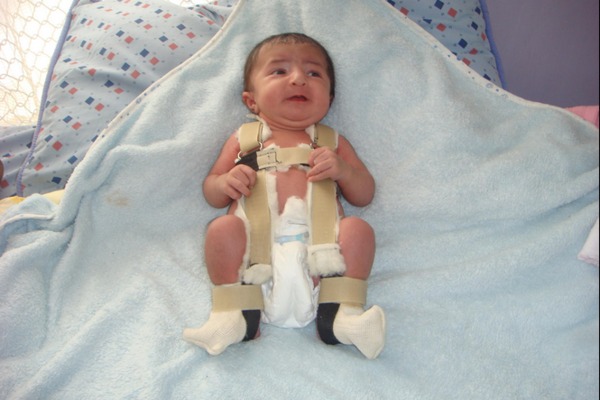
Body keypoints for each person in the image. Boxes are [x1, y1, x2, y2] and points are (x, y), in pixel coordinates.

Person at [183, 33, 385, 359]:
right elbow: (212, 192)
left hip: (321, 254)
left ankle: (343, 314)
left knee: (358, 230)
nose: (298, 79)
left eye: (313, 73)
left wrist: (344, 172)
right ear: (251, 101)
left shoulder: (332, 142)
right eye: (279, 71)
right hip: (253, 255)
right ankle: (233, 315)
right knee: (221, 229)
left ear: (330, 99)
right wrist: (225, 183)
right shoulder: (245, 140)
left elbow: (365, 194)